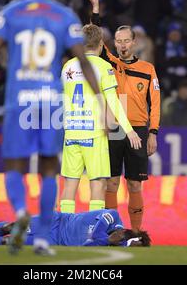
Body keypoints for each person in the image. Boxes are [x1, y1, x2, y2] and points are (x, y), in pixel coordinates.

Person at [0, 0, 103, 257]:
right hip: (49, 101)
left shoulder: (11, 12)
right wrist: (101, 99)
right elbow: (84, 60)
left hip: (19, 100)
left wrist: (10, 68)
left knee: (15, 165)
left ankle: (21, 211)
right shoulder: (64, 15)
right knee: (49, 169)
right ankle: (41, 240)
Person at [86, 0, 161, 232]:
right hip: (114, 128)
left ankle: (137, 232)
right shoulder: (110, 61)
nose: (122, 45)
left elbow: (156, 103)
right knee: (111, 183)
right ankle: (112, 230)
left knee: (135, 185)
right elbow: (94, 36)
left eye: (126, 40)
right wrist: (95, 8)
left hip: (138, 129)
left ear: (134, 42)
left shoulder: (148, 69)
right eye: (118, 41)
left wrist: (153, 132)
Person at [60, 24, 142, 214]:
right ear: (101, 44)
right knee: (97, 184)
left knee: (70, 184)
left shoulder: (68, 66)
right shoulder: (103, 67)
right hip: (94, 133)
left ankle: (63, 232)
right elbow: (113, 101)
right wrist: (129, 131)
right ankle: (92, 230)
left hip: (71, 131)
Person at [0, 209, 151, 248]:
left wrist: (110, 242)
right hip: (57, 221)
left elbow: (87, 245)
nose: (118, 238)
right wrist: (108, 240)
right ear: (125, 230)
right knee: (12, 227)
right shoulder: (112, 216)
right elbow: (96, 235)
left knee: (10, 240)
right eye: (122, 236)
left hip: (54, 240)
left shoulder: (112, 244)